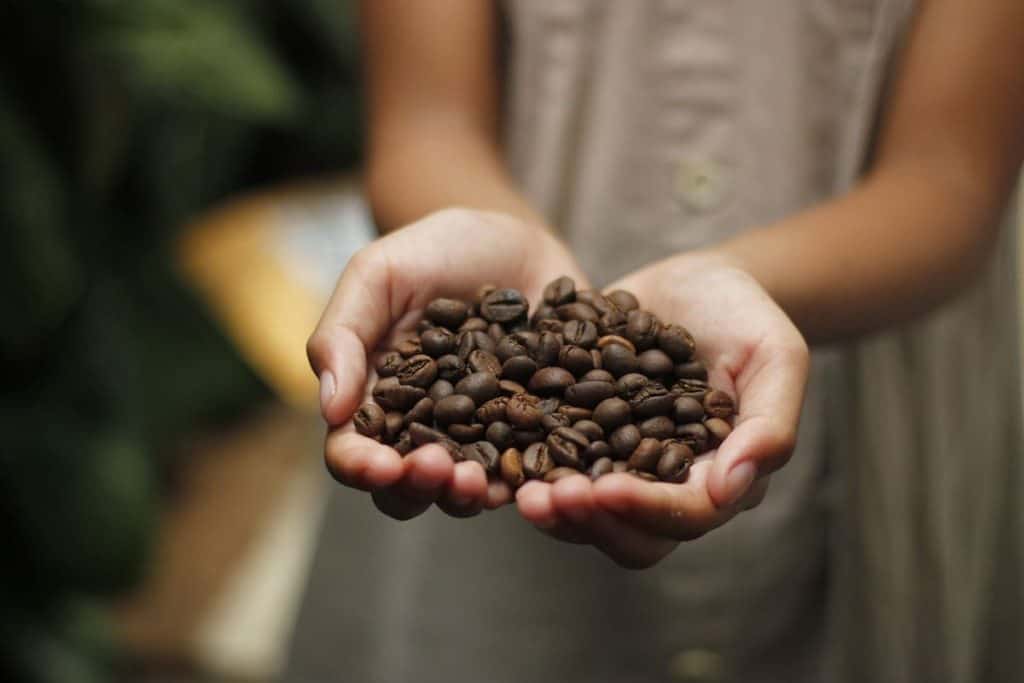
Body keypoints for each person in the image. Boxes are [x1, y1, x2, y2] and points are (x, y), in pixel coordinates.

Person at [301, 1, 1023, 681]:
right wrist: (484, 239)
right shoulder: (503, 373)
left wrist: (741, 276)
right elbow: (426, 125)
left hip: (871, 427)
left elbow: (950, 178)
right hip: (484, 568)